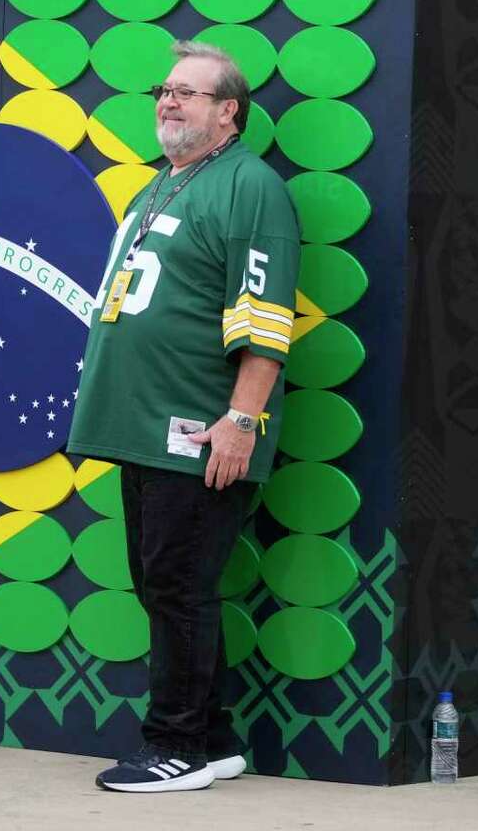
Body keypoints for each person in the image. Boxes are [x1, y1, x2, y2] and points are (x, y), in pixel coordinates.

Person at [67, 41, 300, 793]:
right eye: (163, 89)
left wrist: (241, 421)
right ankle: (216, 738)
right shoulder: (160, 185)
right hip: (145, 431)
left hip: (197, 432)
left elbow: (265, 322)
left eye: (188, 92)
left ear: (228, 111)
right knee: (164, 584)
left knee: (178, 587)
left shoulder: (250, 186)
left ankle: (175, 747)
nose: (168, 101)